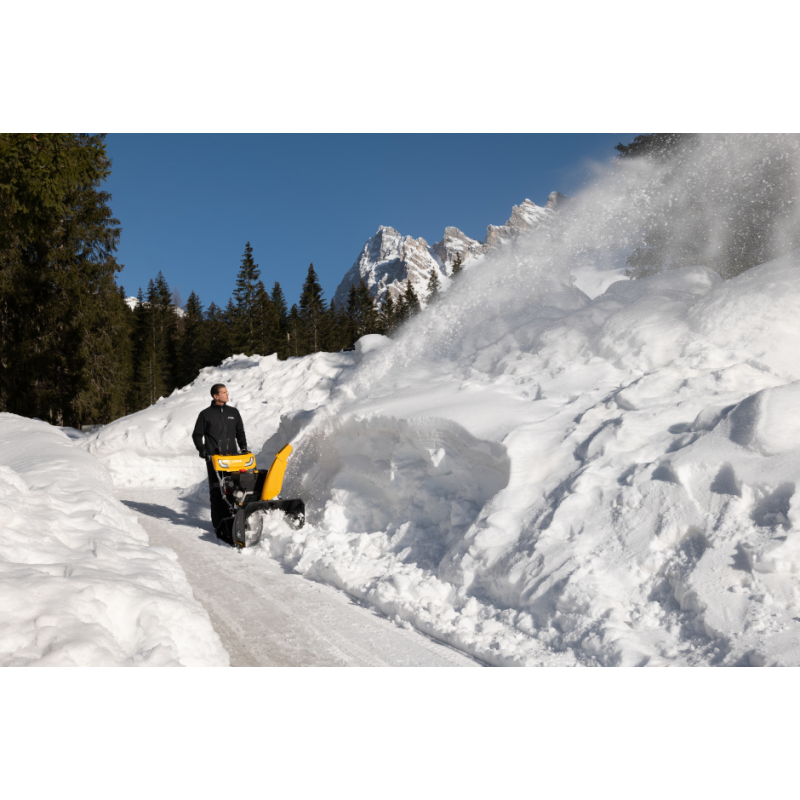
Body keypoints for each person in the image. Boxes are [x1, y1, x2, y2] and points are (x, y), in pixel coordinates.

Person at [192, 383, 248, 537]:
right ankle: (219, 524)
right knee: (217, 490)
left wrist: (243, 447)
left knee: (236, 488)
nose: (227, 394)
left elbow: (240, 432)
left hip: (233, 459)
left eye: (227, 392)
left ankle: (236, 519)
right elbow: (197, 435)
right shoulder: (205, 414)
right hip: (214, 458)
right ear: (216, 396)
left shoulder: (233, 412)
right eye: (224, 392)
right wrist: (203, 450)